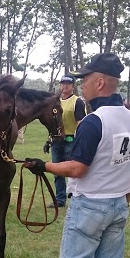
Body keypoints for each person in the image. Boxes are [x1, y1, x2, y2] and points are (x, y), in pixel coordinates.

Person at [26, 53, 130, 258]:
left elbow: (78, 168)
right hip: (119, 204)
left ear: (101, 82)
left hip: (89, 206)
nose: (82, 88)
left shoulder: (94, 122)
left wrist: (45, 166)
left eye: (86, 81)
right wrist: (123, 201)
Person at [48, 75, 86, 208]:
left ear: (72, 86)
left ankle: (76, 197)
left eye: (68, 84)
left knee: (72, 171)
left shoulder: (77, 102)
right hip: (56, 140)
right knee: (57, 170)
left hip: (71, 139)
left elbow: (81, 123)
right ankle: (60, 199)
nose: (65, 86)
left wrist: (79, 140)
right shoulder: (55, 101)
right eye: (62, 84)